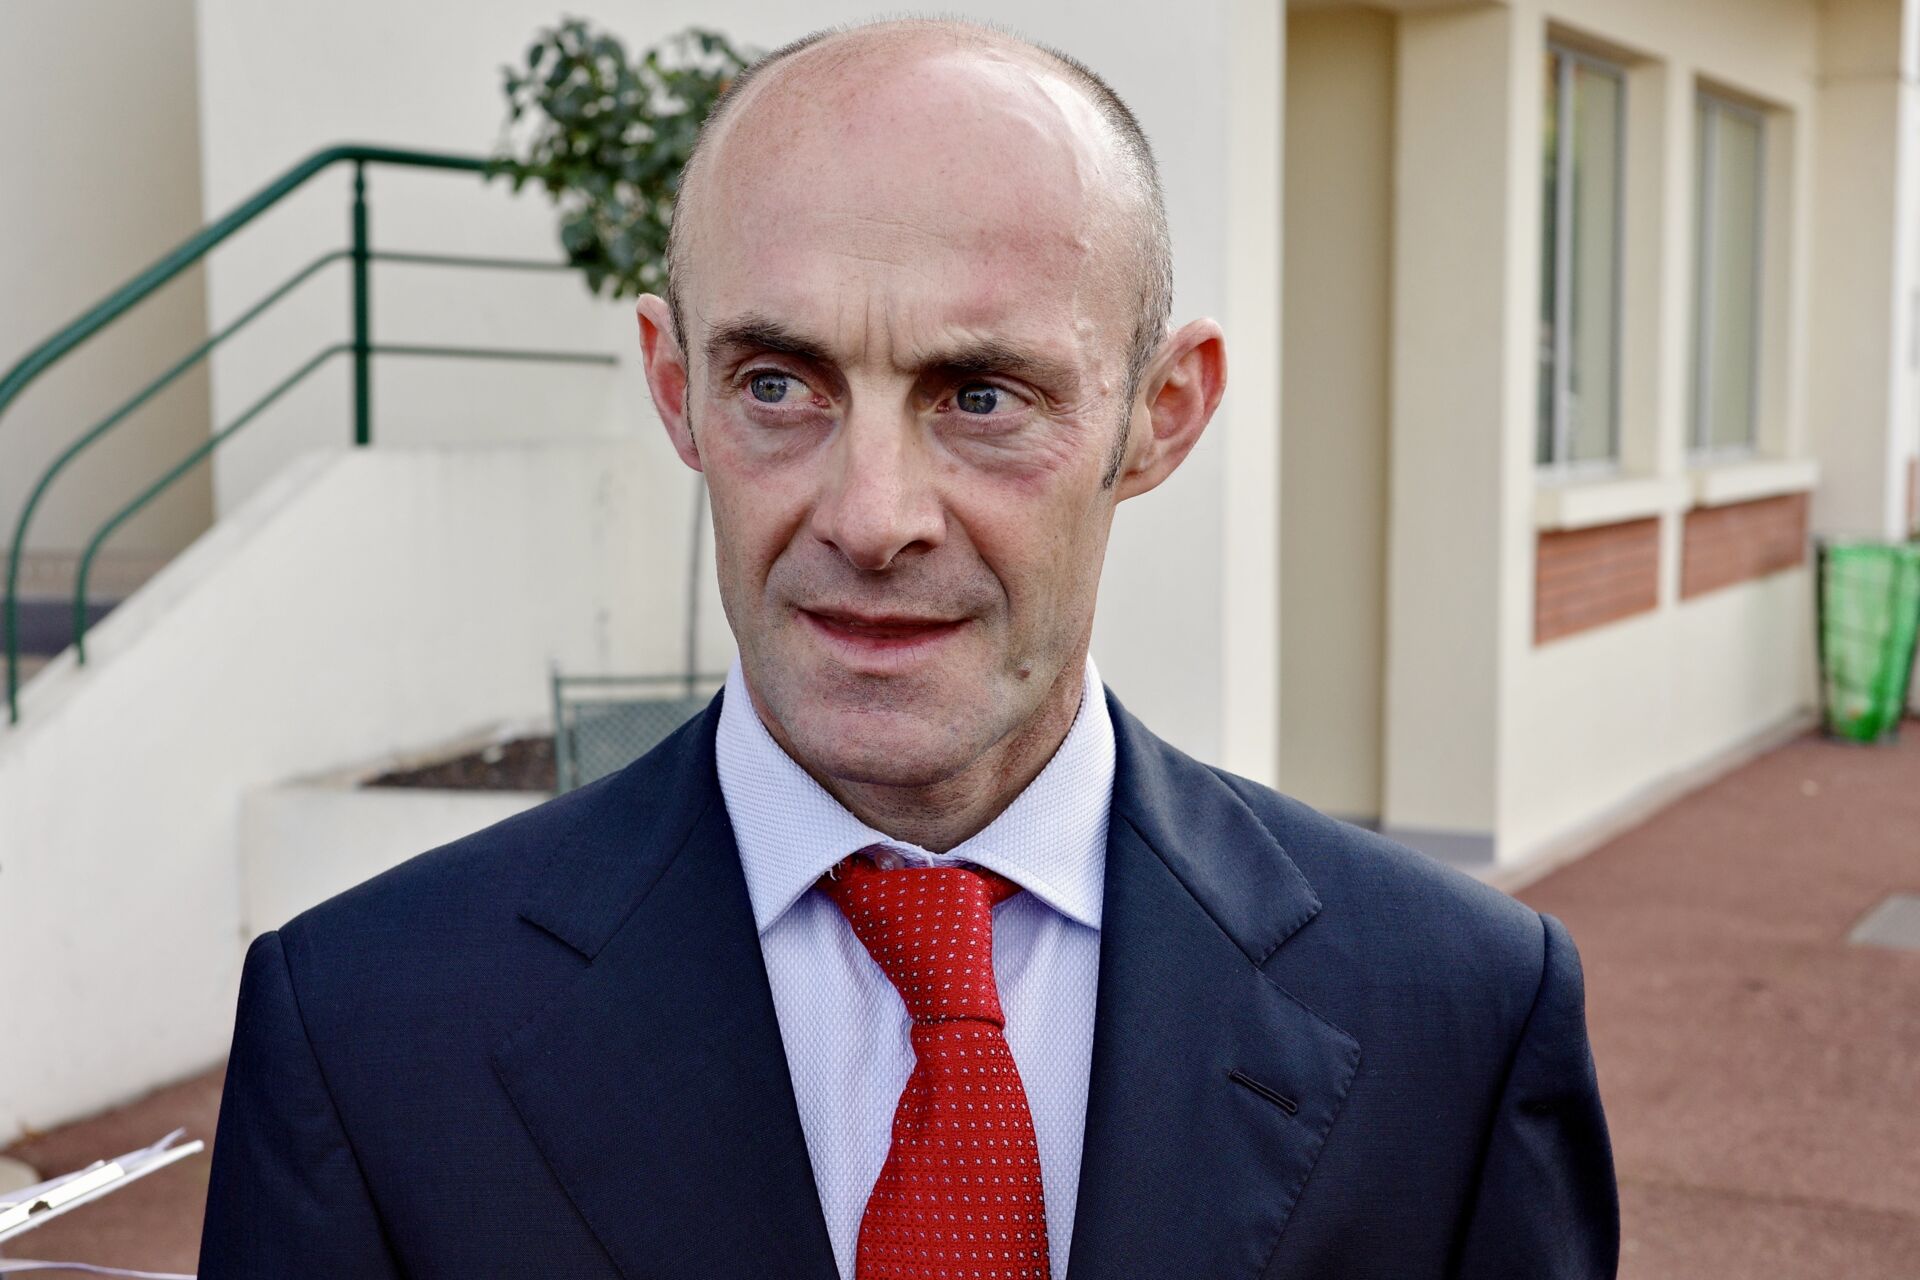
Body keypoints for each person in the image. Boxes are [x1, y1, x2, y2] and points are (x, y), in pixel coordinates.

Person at [198, 17, 1618, 1279]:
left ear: (1161, 415)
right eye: (778, 384)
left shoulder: (1465, 1020)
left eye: (982, 395)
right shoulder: (365, 1032)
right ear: (675, 390)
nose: (873, 519)